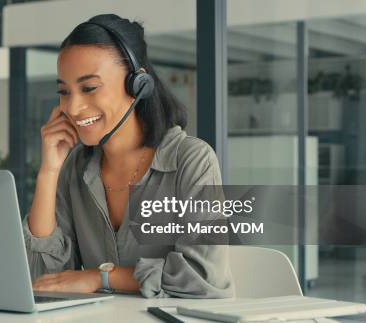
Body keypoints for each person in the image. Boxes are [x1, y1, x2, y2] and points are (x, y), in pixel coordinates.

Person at [22, 13, 234, 298]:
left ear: (138, 84)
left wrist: (100, 277)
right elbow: (46, 279)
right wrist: (48, 172)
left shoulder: (192, 160)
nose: (73, 107)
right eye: (64, 91)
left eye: (89, 88)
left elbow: (202, 279)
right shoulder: (75, 167)